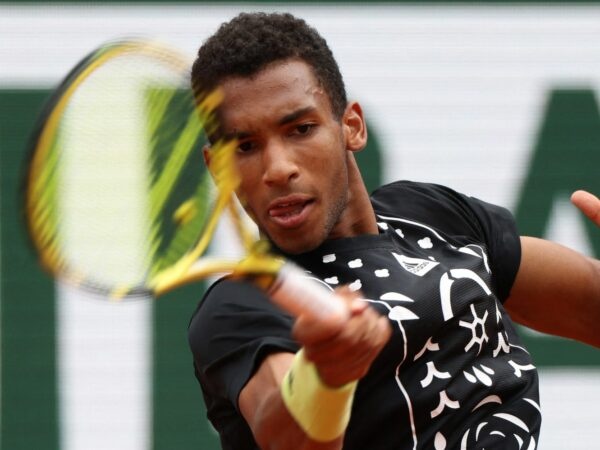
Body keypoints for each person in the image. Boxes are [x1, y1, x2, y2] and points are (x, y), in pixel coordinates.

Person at [187, 12, 600, 450]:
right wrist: (324, 377)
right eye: (246, 146)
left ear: (352, 126)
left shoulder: (433, 215)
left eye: (301, 129)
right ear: (219, 169)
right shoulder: (240, 305)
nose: (278, 168)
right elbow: (287, 437)